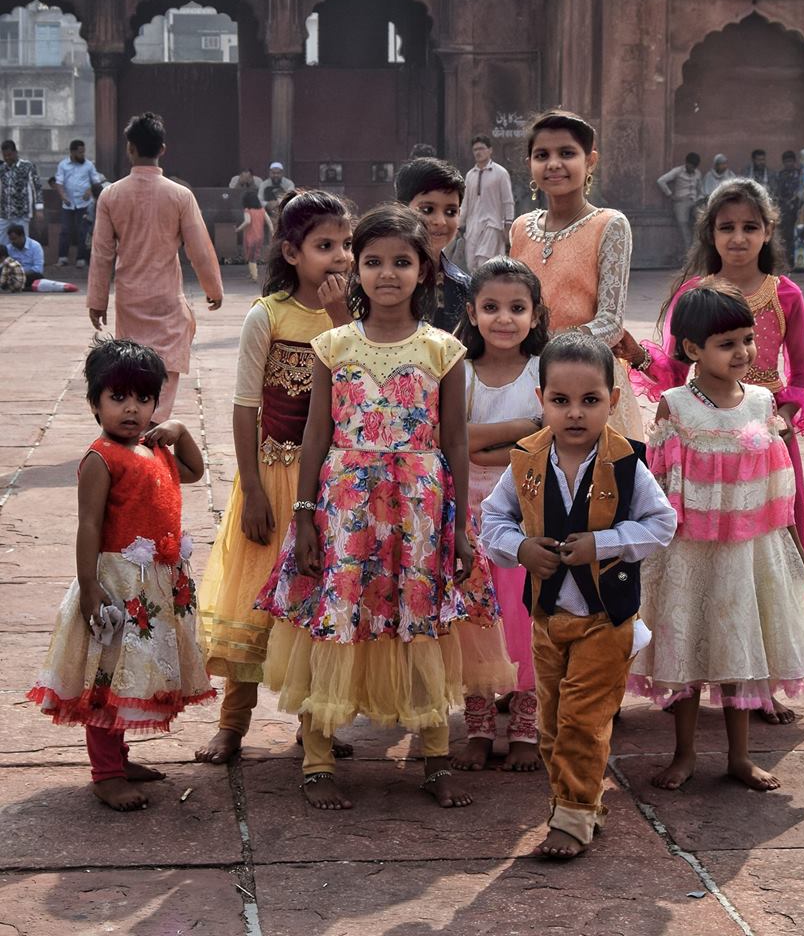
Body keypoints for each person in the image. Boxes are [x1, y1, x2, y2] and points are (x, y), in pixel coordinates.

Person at [256, 204, 482, 811]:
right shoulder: (333, 344)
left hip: (420, 507)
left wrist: (459, 526)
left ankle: (435, 755)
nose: (387, 274)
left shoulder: (445, 351)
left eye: (402, 262)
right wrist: (304, 512)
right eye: (374, 261)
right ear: (356, 269)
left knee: (421, 617)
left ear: (423, 271)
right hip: (345, 502)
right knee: (336, 613)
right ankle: (318, 755)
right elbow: (315, 435)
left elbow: (455, 440)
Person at [616, 178, 804, 724]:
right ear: (710, 232)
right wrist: (640, 358)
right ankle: (684, 669)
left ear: (768, 231)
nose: (738, 238)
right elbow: (674, 368)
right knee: (692, 558)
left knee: (769, 557)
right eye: (727, 227)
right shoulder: (694, 294)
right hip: (699, 446)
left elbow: (801, 375)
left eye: (749, 227)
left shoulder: (784, 294)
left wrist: (778, 418)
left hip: (763, 441)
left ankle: (763, 679)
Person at [481, 333, 676, 858]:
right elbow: (492, 521)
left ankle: (570, 817)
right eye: (560, 401)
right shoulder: (525, 461)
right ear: (540, 400)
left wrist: (605, 543)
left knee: (583, 720)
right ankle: (582, 801)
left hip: (605, 619)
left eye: (590, 401)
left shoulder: (628, 462)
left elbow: (662, 524)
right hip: (548, 617)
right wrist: (519, 548)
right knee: (551, 722)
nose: (574, 414)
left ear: (612, 401)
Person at [628, 284, 804, 791]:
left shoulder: (762, 403)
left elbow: (777, 483)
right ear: (692, 350)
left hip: (747, 547)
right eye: (727, 343)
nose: (742, 352)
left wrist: (778, 534)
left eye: (746, 340)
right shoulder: (674, 406)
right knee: (687, 648)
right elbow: (660, 479)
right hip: (689, 550)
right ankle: (685, 753)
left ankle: (740, 757)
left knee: (741, 649)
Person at [195, 190, 354, 766]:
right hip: (272, 475)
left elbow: (362, 384)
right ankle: (233, 724)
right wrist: (253, 489)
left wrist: (342, 322)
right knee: (254, 599)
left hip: (332, 485)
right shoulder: (267, 315)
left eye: (346, 245)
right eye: (324, 246)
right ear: (291, 251)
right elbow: (244, 406)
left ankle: (319, 724)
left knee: (321, 600)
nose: (340, 257)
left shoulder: (356, 318)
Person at [26, 338, 215, 811]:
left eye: (143, 398)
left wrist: (180, 429)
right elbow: (88, 524)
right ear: (95, 403)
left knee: (136, 672)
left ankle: (119, 755)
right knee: (107, 674)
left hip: (155, 583)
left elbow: (194, 470)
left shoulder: (157, 447)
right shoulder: (100, 457)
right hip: (118, 583)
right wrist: (90, 586)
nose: (132, 409)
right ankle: (105, 772)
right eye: (118, 398)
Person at [450, 257, 550, 773]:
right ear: (471, 312)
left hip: (528, 517)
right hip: (469, 518)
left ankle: (527, 727)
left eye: (517, 308)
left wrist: (491, 448)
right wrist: (521, 427)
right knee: (476, 623)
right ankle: (480, 726)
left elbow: (551, 439)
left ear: (535, 315)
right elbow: (455, 441)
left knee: (524, 620)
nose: (504, 319)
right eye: (491, 308)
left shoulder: (542, 371)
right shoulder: (460, 373)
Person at [510, 109, 644, 441]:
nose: (553, 163)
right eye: (542, 155)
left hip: (589, 383)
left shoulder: (610, 225)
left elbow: (610, 322)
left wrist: (545, 346)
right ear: (530, 164)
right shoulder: (521, 228)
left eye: (567, 153)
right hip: (529, 379)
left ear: (591, 161)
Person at [87, 112, 223, 422]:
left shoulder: (111, 195)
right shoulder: (179, 195)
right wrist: (213, 289)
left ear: (130, 148)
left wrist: (97, 301)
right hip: (166, 297)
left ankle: (134, 423)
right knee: (167, 364)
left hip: (129, 297)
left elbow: (102, 253)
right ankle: (156, 422)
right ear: (162, 149)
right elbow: (199, 249)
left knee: (133, 364)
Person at [395, 155, 470, 330]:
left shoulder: (464, 287)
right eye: (428, 210)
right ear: (400, 208)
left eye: (451, 212)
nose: (440, 221)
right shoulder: (378, 277)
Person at [460, 135, 515, 270]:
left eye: (481, 148)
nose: (478, 152)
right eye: (475, 150)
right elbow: (465, 202)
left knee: (484, 263)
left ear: (490, 150)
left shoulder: (500, 173)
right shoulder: (470, 175)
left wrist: (508, 225)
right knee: (471, 264)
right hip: (473, 227)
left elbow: (508, 201)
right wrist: (458, 224)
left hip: (493, 225)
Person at [55, 139, 101, 268]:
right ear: (72, 152)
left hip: (84, 204)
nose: (83, 155)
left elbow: (96, 181)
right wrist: (63, 196)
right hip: (68, 204)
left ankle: (81, 258)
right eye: (80, 152)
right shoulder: (63, 165)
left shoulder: (89, 165)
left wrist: (89, 190)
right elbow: (59, 182)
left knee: (83, 231)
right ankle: (62, 257)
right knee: (65, 230)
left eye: (83, 152)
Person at [6, 223, 78, 293]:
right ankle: (26, 287)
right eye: (11, 240)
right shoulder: (9, 248)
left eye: (14, 239)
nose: (13, 242)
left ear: (22, 236)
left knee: (37, 276)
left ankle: (24, 287)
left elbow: (38, 268)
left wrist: (20, 274)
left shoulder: (35, 246)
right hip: (14, 276)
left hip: (30, 276)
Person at [0, 139, 43, 245]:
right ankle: (6, 262)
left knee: (21, 243)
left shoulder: (27, 166)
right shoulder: (2, 168)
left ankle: (21, 262)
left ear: (15, 152)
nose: (7, 158)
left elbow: (36, 187)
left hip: (21, 213)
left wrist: (39, 208)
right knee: (3, 244)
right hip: (4, 213)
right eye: (4, 156)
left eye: (9, 155)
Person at [657, 152, 702, 252]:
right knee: (683, 224)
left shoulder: (698, 173)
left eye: (694, 167)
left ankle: (697, 247)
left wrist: (699, 198)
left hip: (694, 202)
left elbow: (700, 189)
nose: (692, 169)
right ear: (686, 163)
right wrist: (670, 194)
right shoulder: (677, 171)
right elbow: (661, 181)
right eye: (691, 166)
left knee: (701, 221)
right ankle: (688, 251)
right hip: (681, 202)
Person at [236, 190, 272, 283]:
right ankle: (252, 273)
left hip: (250, 237)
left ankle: (254, 275)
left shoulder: (247, 210)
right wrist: (272, 231)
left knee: (250, 256)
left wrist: (238, 229)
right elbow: (269, 221)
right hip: (260, 236)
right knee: (254, 255)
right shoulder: (262, 210)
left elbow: (247, 221)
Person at [776, 151, 801, 268]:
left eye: (790, 161)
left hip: (799, 209)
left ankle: (800, 262)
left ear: (794, 162)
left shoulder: (800, 174)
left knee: (799, 236)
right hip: (785, 210)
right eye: (786, 162)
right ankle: (788, 261)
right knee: (787, 236)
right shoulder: (781, 175)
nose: (788, 164)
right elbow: (778, 192)